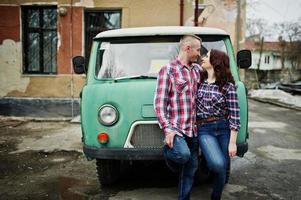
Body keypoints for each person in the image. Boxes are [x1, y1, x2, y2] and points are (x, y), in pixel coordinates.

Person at [154, 35, 201, 200]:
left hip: (193, 130)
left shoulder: (197, 70)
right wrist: (168, 130)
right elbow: (159, 104)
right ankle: (167, 150)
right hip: (177, 129)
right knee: (182, 155)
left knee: (191, 169)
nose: (199, 54)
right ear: (187, 48)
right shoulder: (168, 70)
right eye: (198, 49)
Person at [196, 49, 240, 200]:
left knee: (222, 167)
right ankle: (206, 165)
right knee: (217, 164)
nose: (203, 58)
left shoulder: (227, 86)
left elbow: (234, 115)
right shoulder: (199, 81)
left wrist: (233, 143)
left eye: (206, 56)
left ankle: (216, 196)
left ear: (215, 62)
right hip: (204, 129)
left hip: (223, 128)